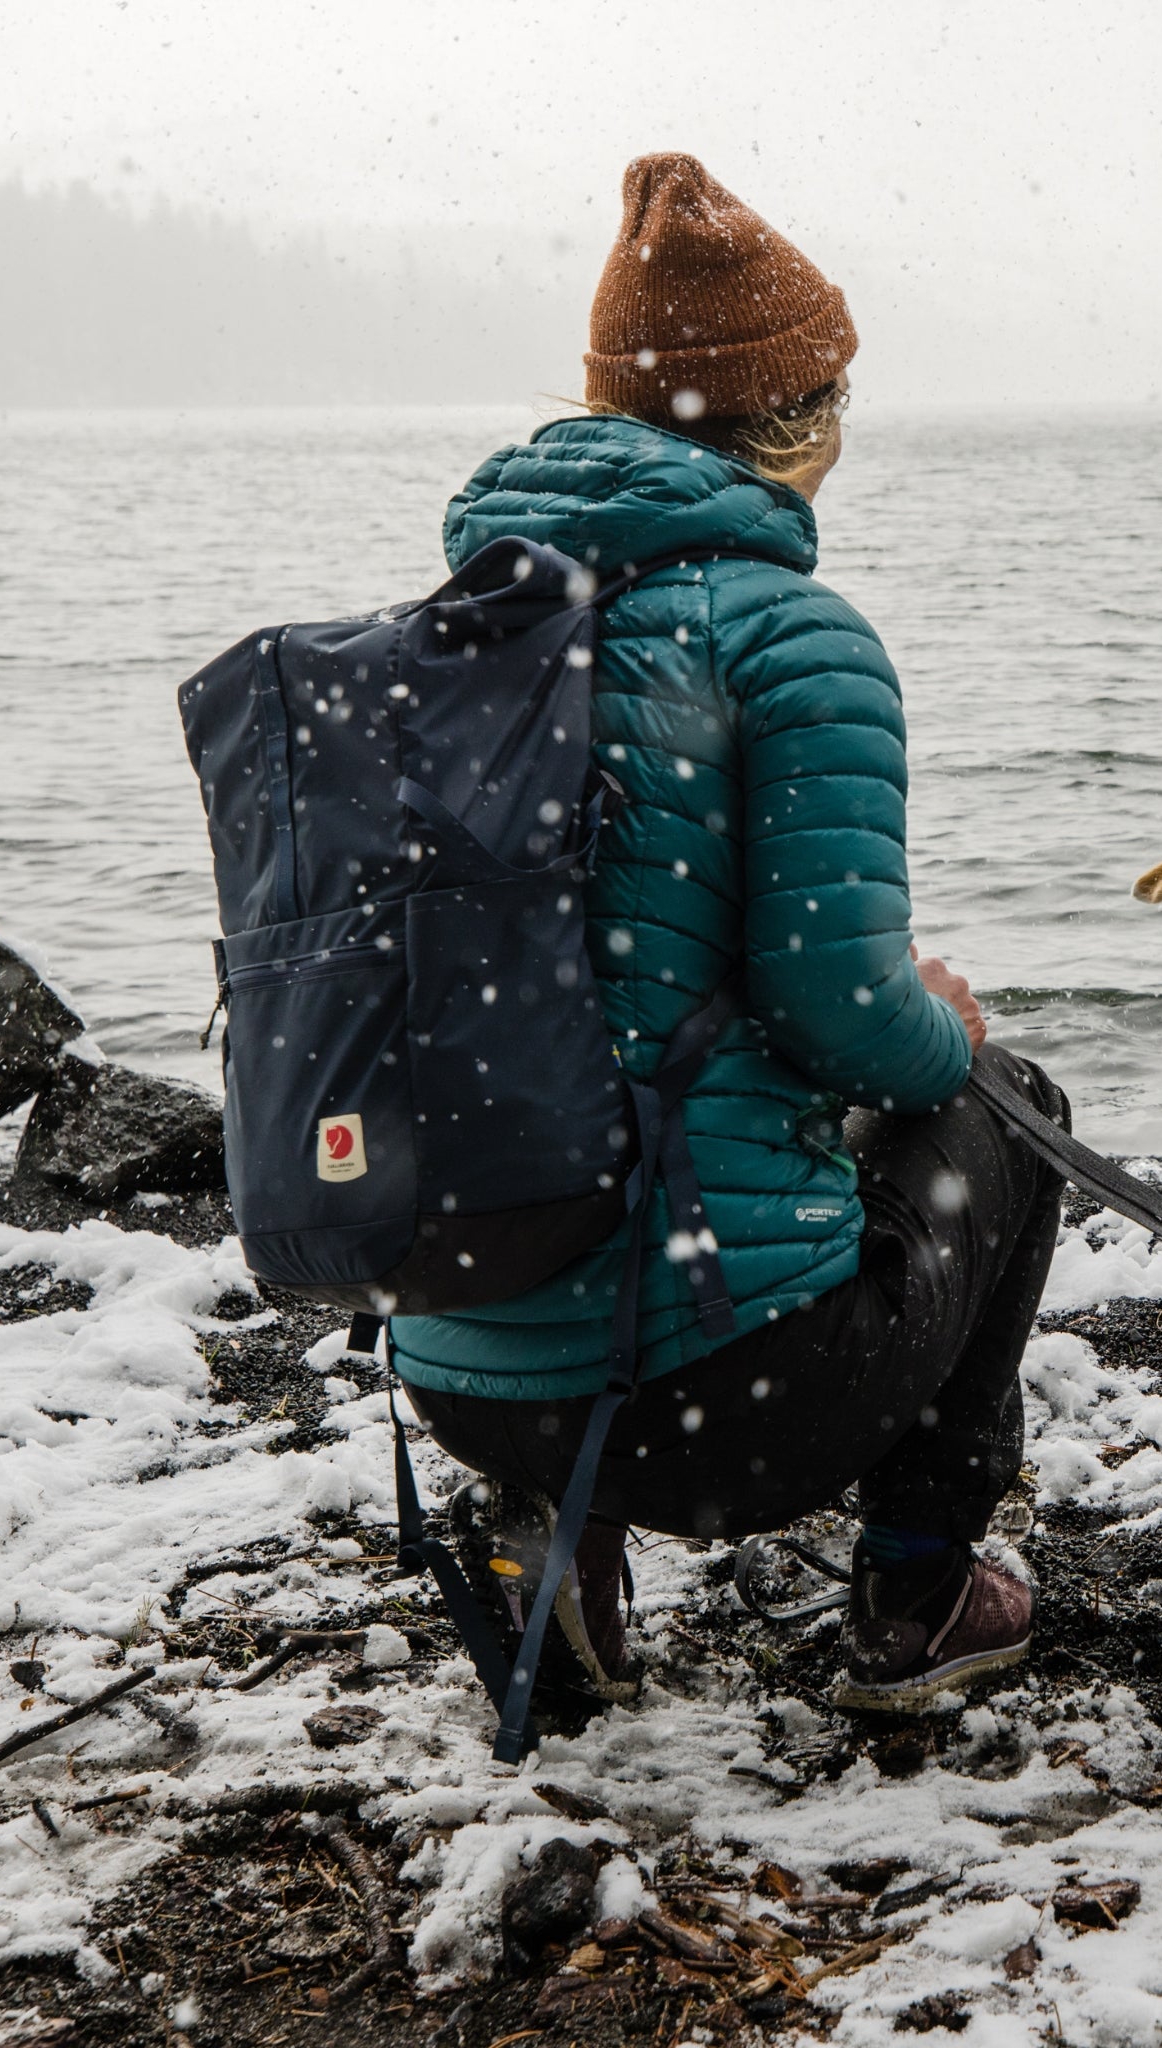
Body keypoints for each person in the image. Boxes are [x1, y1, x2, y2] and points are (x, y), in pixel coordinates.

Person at [388, 152, 1069, 1715]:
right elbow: (840, 1015)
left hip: (460, 1370)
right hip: (730, 1402)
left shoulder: (449, 628)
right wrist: (943, 1028)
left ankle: (552, 1552)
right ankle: (921, 1594)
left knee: (598, 1090)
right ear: (798, 414)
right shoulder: (791, 635)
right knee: (1012, 1113)